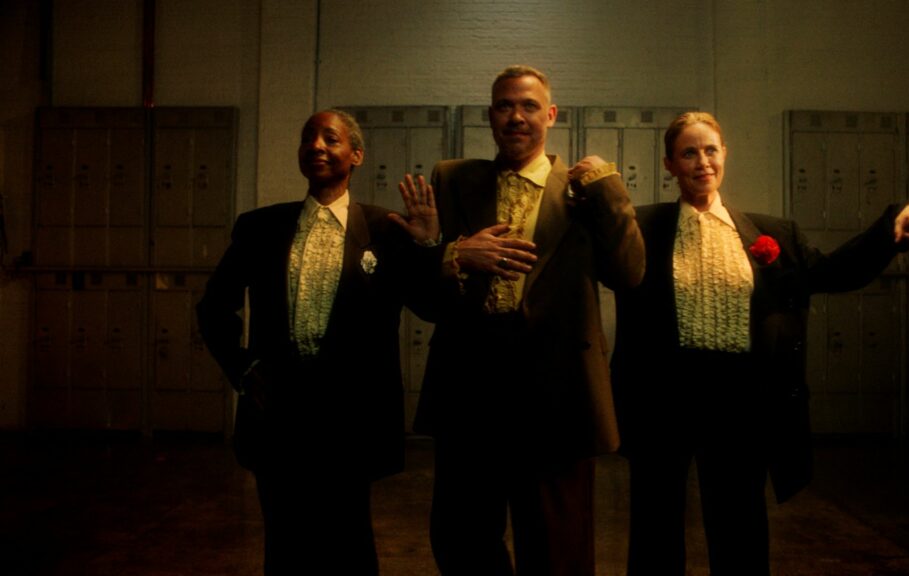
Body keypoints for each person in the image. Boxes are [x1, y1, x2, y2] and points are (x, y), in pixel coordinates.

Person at [611, 111, 909, 575]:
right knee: (655, 527)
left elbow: (834, 273)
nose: (702, 161)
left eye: (710, 150)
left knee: (739, 524)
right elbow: (600, 253)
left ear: (724, 156)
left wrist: (893, 226)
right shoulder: (642, 226)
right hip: (665, 399)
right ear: (668, 164)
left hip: (741, 400)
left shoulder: (772, 234)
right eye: (688, 153)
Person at [409, 65, 645, 575]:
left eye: (529, 106)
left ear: (551, 115)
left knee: (558, 547)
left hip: (558, 394)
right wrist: (449, 254)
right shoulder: (452, 180)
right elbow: (425, 301)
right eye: (504, 106)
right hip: (471, 388)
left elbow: (629, 274)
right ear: (490, 116)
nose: (516, 117)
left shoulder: (585, 191)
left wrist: (610, 191)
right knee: (462, 538)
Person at [196, 108, 439, 575]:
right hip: (278, 415)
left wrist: (429, 246)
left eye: (331, 138)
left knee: (349, 544)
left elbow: (429, 305)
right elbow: (213, 307)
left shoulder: (386, 230)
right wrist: (243, 369)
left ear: (357, 155)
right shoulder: (260, 228)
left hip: (350, 417)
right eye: (309, 137)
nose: (318, 146)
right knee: (285, 545)